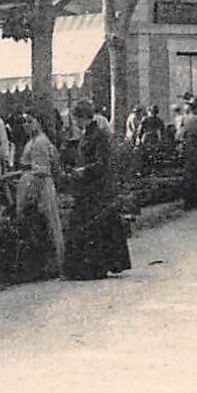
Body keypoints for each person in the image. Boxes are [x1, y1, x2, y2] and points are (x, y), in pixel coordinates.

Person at [62, 102, 132, 280]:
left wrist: (85, 170)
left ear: (83, 117)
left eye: (77, 118)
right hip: (88, 187)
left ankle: (94, 267)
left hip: (96, 188)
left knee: (93, 226)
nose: (76, 122)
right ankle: (87, 267)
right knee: (89, 226)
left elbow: (102, 162)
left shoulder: (98, 135)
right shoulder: (88, 134)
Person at [6, 111, 65, 281]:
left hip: (38, 185)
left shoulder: (39, 142)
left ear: (39, 122)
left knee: (43, 222)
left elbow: (41, 170)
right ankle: (43, 265)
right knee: (38, 225)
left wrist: (19, 180)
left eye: (30, 121)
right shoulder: (32, 141)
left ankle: (51, 265)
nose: (26, 125)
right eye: (24, 122)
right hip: (32, 182)